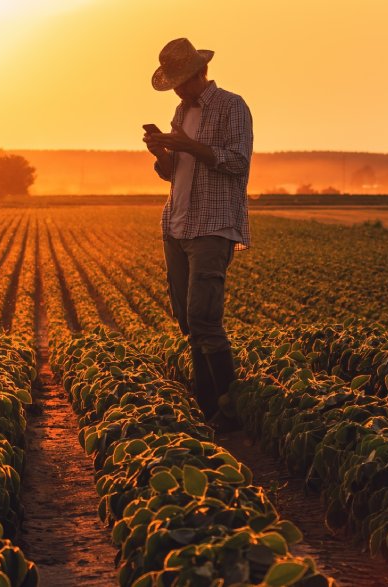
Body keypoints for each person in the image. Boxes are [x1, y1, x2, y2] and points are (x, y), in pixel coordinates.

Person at [143, 38, 253, 431]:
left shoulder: (231, 106)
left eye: (180, 82)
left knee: (204, 319)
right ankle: (208, 407)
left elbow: (238, 162)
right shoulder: (181, 111)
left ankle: (230, 408)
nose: (176, 90)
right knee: (189, 323)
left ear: (197, 74)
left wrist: (191, 145)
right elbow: (174, 173)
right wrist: (161, 151)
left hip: (212, 225)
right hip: (177, 224)